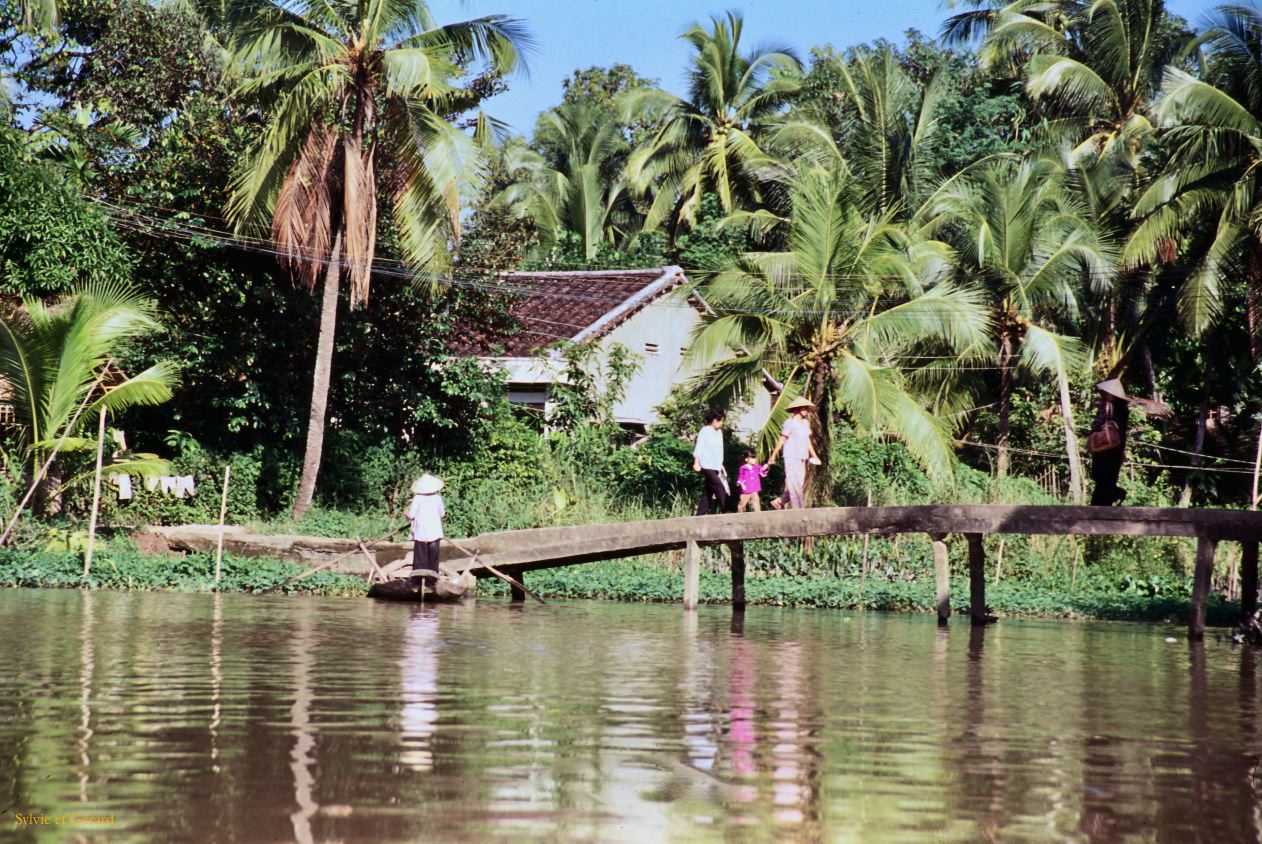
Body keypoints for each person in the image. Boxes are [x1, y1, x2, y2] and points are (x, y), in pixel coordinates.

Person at [767, 397, 820, 509]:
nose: (806, 410)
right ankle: (798, 509)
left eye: (807, 408)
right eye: (804, 407)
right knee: (794, 484)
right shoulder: (789, 423)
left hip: (802, 457)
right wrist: (772, 456)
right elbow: (782, 440)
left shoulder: (805, 423)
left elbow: (807, 441)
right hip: (791, 456)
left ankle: (779, 501)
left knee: (799, 485)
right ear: (797, 408)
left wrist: (814, 455)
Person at [1089, 380, 1130, 506]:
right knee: (1109, 478)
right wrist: (1122, 450)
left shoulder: (1105, 406)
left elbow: (1097, 425)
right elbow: (1122, 434)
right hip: (1115, 448)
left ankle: (1112, 496)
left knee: (1100, 477)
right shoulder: (1123, 409)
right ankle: (1109, 499)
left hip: (1104, 448)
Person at [407, 474, 446, 583]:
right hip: (435, 532)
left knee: (420, 558)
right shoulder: (437, 498)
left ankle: (418, 581)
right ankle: (432, 581)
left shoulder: (417, 498)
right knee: (433, 558)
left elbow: (411, 515)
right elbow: (442, 514)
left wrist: (406, 514)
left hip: (421, 533)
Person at [693, 409, 729, 515]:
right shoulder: (705, 431)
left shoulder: (719, 433)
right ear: (714, 420)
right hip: (706, 465)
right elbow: (699, 447)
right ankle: (727, 510)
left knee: (707, 493)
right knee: (719, 486)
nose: (721, 423)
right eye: (720, 421)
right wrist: (696, 462)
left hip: (716, 465)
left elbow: (719, 450)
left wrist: (721, 465)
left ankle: (699, 515)